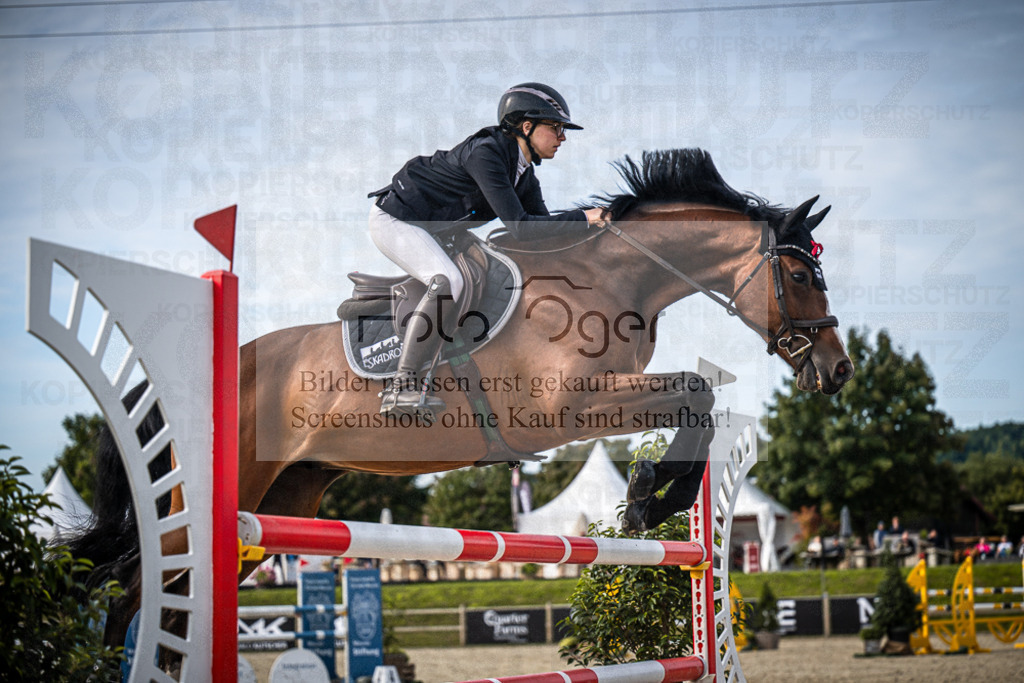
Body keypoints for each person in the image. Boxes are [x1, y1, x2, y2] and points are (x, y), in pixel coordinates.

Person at [368, 83, 607, 416]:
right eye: (555, 128)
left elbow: (541, 235)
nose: (562, 137)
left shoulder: (525, 178)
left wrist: (599, 241)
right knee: (449, 281)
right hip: (397, 219)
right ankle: (401, 386)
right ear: (527, 127)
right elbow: (521, 228)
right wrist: (586, 216)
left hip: (436, 231)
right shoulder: (487, 153)